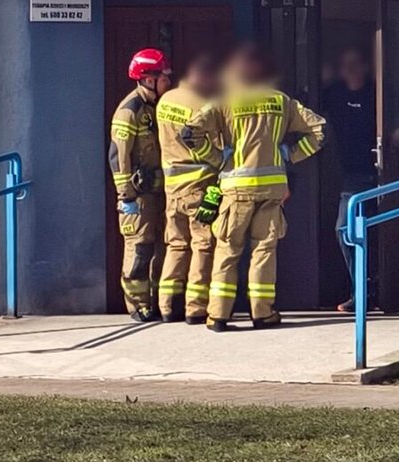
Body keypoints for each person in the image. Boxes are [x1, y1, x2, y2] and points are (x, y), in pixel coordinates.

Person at [183, 44, 328, 331]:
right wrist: (290, 155)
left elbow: (189, 132)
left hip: (235, 188)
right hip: (272, 189)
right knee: (264, 251)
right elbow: (319, 131)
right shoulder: (281, 100)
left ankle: (218, 316)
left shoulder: (223, 100)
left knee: (227, 250)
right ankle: (262, 313)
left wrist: (217, 158)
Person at [154, 51, 222, 324]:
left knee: (176, 245)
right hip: (199, 186)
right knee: (203, 244)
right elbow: (215, 146)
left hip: (172, 188)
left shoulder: (165, 101)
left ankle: (167, 306)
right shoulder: (203, 106)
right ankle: (195, 308)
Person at [110, 48, 172, 322]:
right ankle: (138, 305)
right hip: (138, 197)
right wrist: (126, 196)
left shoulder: (154, 107)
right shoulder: (129, 111)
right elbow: (118, 156)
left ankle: (158, 302)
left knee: (160, 247)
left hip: (158, 193)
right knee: (139, 250)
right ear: (148, 79)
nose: (168, 81)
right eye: (163, 77)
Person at [320, 46, 376, 309]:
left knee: (378, 233)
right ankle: (361, 293)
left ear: (365, 67)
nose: (349, 70)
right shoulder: (334, 94)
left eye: (354, 64)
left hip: (382, 173)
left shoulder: (377, 92)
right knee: (344, 231)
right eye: (345, 65)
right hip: (350, 177)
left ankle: (373, 292)